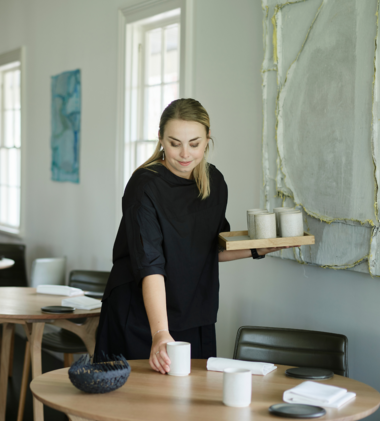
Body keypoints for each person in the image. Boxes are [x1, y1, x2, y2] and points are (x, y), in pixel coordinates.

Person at [94, 98, 291, 374]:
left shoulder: (214, 182)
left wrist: (258, 249)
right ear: (160, 138)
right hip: (141, 314)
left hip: (194, 311)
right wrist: (160, 331)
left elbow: (210, 249)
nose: (185, 154)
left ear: (208, 139)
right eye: (175, 143)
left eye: (194, 144)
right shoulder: (144, 185)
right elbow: (150, 264)